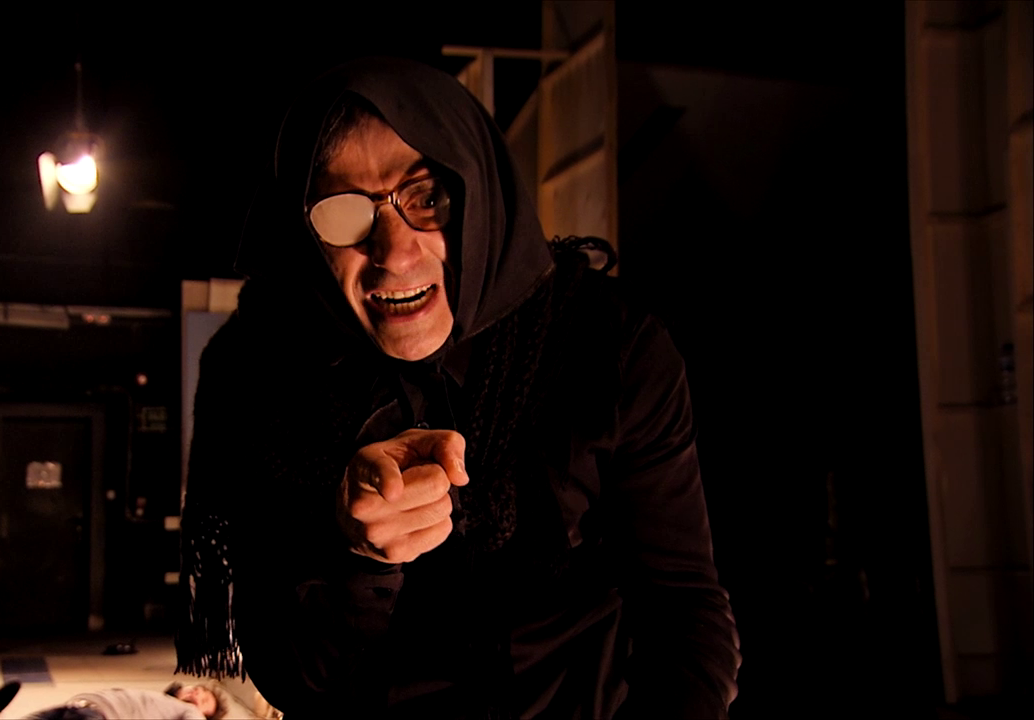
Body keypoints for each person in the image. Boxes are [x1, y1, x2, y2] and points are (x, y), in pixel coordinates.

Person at [175, 56, 740, 718]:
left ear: (478, 189)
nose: (394, 252)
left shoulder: (608, 346)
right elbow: (286, 671)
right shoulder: (256, 372)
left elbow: (683, 609)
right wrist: (358, 558)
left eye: (426, 197)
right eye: (343, 212)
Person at [0, 680, 230, 720]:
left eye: (202, 702)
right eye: (197, 690)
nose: (195, 696)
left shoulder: (184, 714)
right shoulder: (154, 698)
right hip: (77, 708)